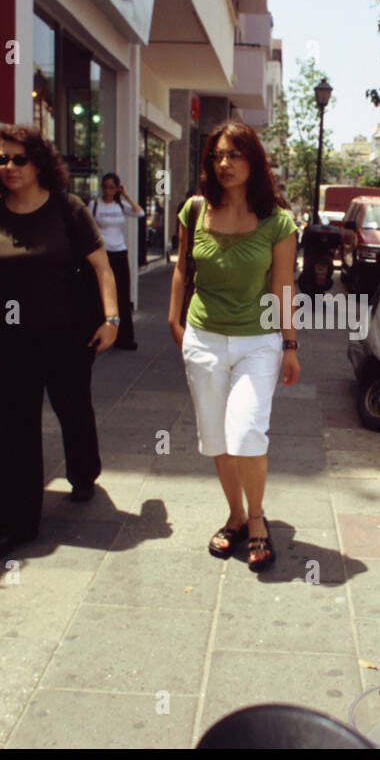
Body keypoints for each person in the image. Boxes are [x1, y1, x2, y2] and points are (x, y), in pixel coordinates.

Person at [0, 125, 119, 562]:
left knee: (72, 409)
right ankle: (15, 522)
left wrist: (111, 318)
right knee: (15, 427)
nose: (10, 167)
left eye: (19, 159)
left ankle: (83, 472)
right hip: (12, 337)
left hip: (68, 333)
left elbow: (102, 267)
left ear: (38, 163)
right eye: (2, 159)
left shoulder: (68, 210)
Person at [169, 121, 299, 572]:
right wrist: (174, 318)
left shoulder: (278, 221)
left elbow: (284, 285)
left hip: (257, 343)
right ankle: (235, 515)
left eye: (235, 155)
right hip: (203, 338)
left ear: (253, 161)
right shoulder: (194, 210)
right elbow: (183, 268)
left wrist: (290, 344)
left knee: (246, 432)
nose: (225, 164)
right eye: (218, 156)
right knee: (216, 437)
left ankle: (258, 518)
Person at [87, 172, 143, 349]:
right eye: (105, 186)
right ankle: (97, 336)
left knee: (122, 295)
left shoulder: (121, 204)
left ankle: (124, 338)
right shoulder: (94, 205)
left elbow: (140, 212)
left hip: (119, 253)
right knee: (99, 295)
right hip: (102, 254)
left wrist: (125, 194)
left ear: (117, 188)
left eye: (112, 187)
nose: (108, 190)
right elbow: (86, 227)